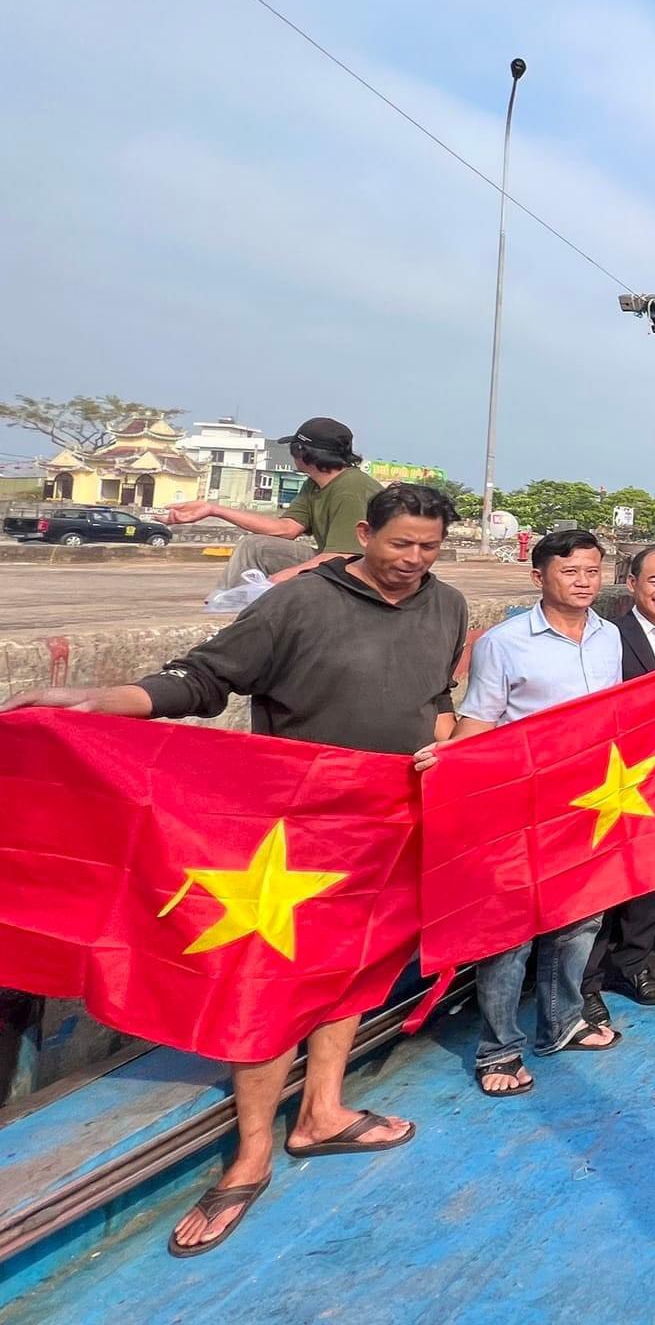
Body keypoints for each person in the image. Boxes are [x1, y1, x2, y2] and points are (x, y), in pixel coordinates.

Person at [0, 482, 466, 1256]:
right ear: (363, 534)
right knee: (270, 985)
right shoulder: (298, 605)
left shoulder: (445, 604)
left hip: (383, 826)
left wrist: (443, 741)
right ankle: (251, 1155)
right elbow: (202, 679)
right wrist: (100, 700)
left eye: (427, 548)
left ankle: (321, 1112)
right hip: (289, 832)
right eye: (399, 546)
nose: (412, 562)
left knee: (353, 970)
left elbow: (434, 696)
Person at [444, 530, 623, 1097]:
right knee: (510, 928)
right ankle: (498, 1048)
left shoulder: (608, 636)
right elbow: (480, 722)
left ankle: (563, 1020)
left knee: (579, 919)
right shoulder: (504, 642)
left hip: (590, 800)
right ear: (538, 576)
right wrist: (447, 761)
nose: (584, 582)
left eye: (593, 571)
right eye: (571, 571)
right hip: (521, 803)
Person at [578, 545, 655, 1024]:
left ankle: (631, 963)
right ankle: (588, 981)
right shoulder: (609, 636)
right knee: (606, 880)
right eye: (654, 581)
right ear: (631, 584)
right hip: (617, 773)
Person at [164, 417, 386, 591]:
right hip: (336, 564)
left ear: (302, 452)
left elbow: (345, 555)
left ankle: (238, 610)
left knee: (270, 563)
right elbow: (286, 529)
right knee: (255, 546)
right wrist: (213, 509)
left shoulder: (351, 489)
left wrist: (284, 575)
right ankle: (233, 603)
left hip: (362, 573)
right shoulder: (315, 484)